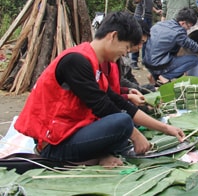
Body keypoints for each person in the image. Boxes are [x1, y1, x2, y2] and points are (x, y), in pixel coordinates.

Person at [14, 12, 185, 167]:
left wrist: (165, 128)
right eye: (126, 47)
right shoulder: (76, 60)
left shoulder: (95, 65)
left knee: (124, 126)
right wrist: (135, 135)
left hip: (73, 131)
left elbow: (117, 100)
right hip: (54, 142)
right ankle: (78, 159)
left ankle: (97, 157)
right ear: (113, 36)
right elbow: (102, 106)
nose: (125, 53)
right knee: (123, 123)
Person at [143, 8, 198, 84]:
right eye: (189, 27)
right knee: (194, 59)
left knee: (170, 55)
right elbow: (190, 44)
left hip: (148, 62)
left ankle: (153, 75)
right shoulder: (178, 32)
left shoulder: (160, 24)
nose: (188, 29)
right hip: (158, 64)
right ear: (183, 23)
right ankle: (165, 76)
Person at [131, 0, 162, 70]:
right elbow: (135, 0)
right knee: (137, 38)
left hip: (149, 16)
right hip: (140, 16)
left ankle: (145, 61)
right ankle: (133, 61)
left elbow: (149, 2)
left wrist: (156, 11)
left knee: (147, 40)